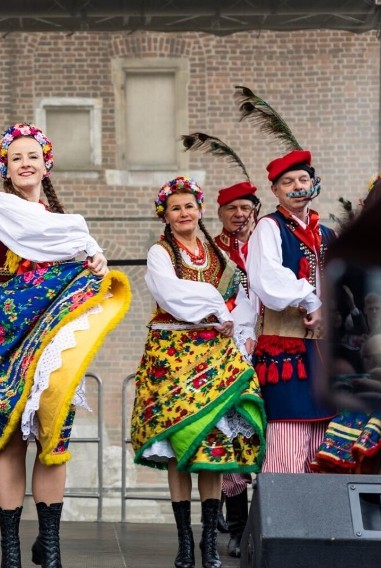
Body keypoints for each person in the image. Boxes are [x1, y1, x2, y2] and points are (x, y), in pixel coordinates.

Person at [0, 122, 130, 568]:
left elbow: (73, 244)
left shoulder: (58, 219)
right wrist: (89, 245)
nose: (25, 163)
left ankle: (51, 546)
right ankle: (10, 551)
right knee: (8, 438)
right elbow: (49, 238)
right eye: (16, 157)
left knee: (51, 428)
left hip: (53, 326)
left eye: (32, 156)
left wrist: (94, 255)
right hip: (5, 331)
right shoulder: (2, 205)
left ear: (46, 164)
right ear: (5, 167)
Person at [131, 176, 265, 568]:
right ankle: (184, 541)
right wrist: (214, 308)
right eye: (176, 208)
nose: (184, 213)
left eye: (189, 206)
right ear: (166, 215)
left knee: (211, 449)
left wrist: (232, 322)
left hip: (214, 356)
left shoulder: (218, 258)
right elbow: (171, 295)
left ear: (199, 210)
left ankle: (208, 542)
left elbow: (240, 300)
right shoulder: (161, 253)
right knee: (178, 448)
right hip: (172, 357)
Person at [246, 149, 336, 474]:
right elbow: (266, 278)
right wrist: (311, 300)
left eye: (303, 179)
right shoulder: (268, 228)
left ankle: (317, 522)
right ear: (275, 190)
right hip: (288, 351)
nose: (297, 186)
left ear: (313, 183)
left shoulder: (326, 234)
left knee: (322, 447)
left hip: (323, 352)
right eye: (288, 182)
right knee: (288, 440)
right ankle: (282, 523)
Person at [214, 180, 261, 559]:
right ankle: (238, 527)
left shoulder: (267, 246)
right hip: (226, 351)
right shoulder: (212, 253)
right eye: (232, 208)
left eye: (246, 207)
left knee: (269, 435)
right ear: (220, 214)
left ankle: (269, 522)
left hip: (272, 347)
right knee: (234, 436)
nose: (239, 215)